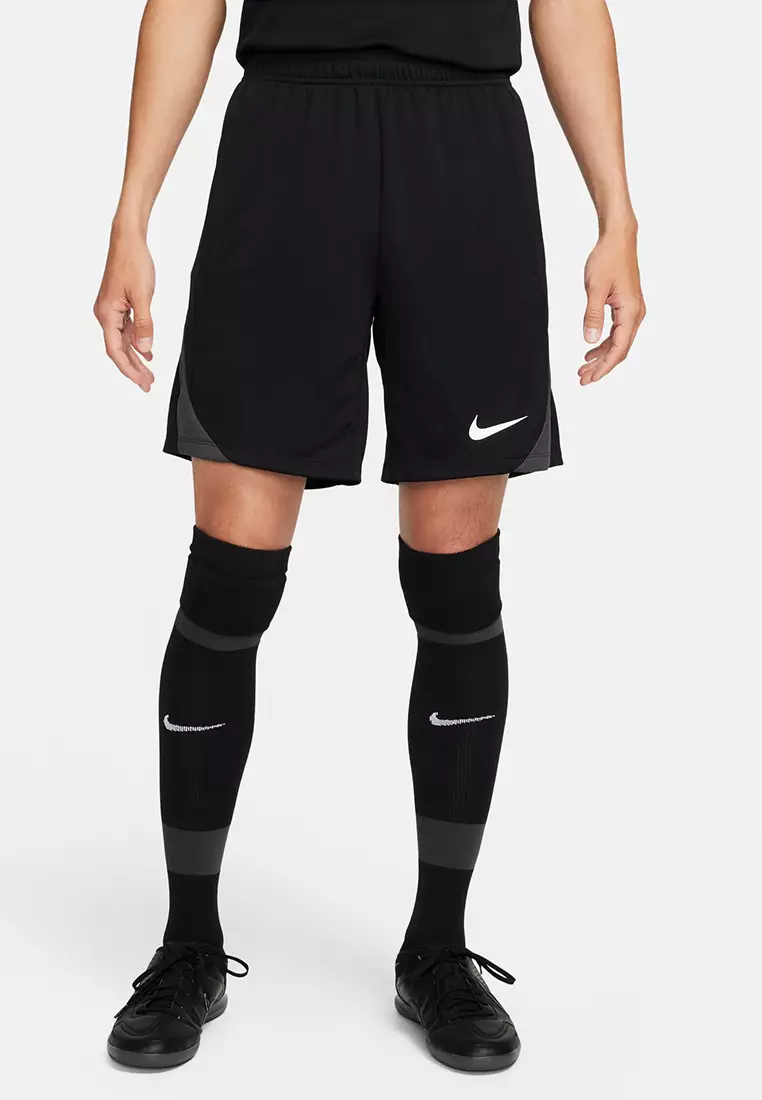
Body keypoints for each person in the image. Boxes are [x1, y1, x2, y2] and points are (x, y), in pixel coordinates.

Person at [94, 0, 645, 1074]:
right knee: (231, 575)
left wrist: (616, 211)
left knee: (455, 575)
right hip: (287, 141)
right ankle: (188, 942)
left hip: (466, 147)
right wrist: (131, 215)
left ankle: (437, 946)